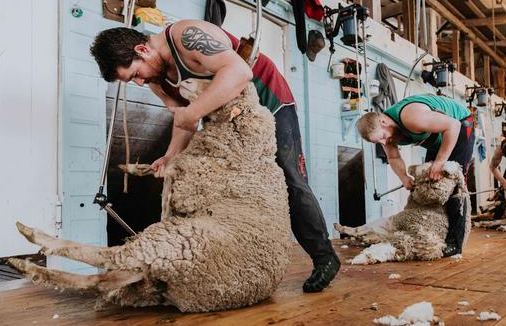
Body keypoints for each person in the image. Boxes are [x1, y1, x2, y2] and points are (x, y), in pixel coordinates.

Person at [90, 20, 339, 293]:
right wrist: (171, 155)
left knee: (290, 176)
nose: (140, 82)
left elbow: (239, 72)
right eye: (132, 81)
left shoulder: (187, 37)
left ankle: (324, 257)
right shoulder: (156, 80)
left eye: (136, 74)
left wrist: (194, 112)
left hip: (267, 99)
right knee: (229, 189)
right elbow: (182, 120)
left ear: (142, 49)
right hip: (225, 114)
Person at [356, 94, 475, 257]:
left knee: (453, 186)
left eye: (383, 137)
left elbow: (452, 125)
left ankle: (455, 244)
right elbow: (393, 157)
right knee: (430, 183)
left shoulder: (412, 117)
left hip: (460, 125)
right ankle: (438, 234)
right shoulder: (387, 136)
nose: (384, 143)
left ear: (383, 122)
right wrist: (404, 177)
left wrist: (440, 162)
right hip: (438, 136)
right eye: (379, 142)